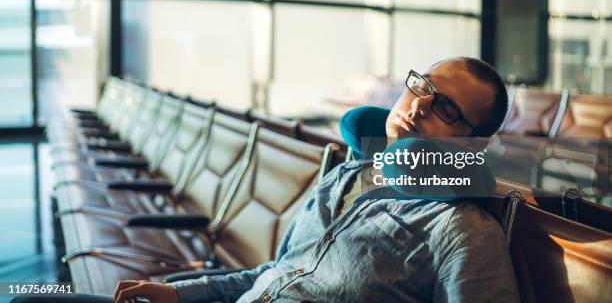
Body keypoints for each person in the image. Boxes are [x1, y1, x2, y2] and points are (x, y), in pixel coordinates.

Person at [14, 57, 521, 303]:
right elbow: (278, 273)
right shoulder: (346, 176)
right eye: (422, 88)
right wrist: (181, 294)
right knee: (25, 299)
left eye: (447, 108)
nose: (419, 106)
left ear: (473, 144)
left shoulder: (461, 230)